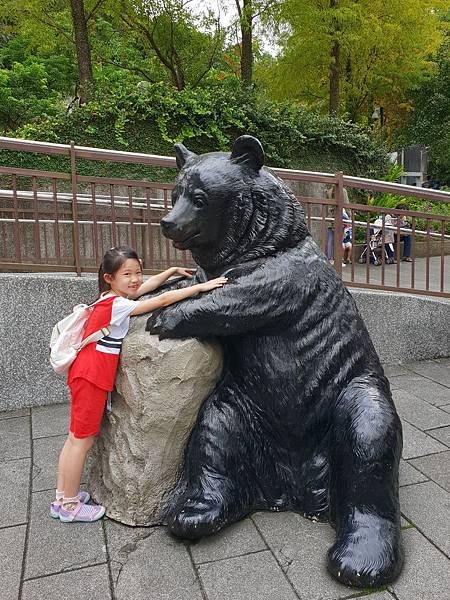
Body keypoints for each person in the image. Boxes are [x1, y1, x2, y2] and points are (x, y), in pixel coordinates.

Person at [52, 246, 227, 523]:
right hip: (92, 377)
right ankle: (68, 505)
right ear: (109, 278)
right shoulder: (119, 305)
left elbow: (146, 288)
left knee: (76, 439)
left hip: (85, 373)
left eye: (138, 272)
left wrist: (170, 271)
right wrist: (202, 287)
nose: (135, 280)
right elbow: (162, 299)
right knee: (81, 442)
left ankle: (63, 496)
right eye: (127, 274)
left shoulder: (109, 299)